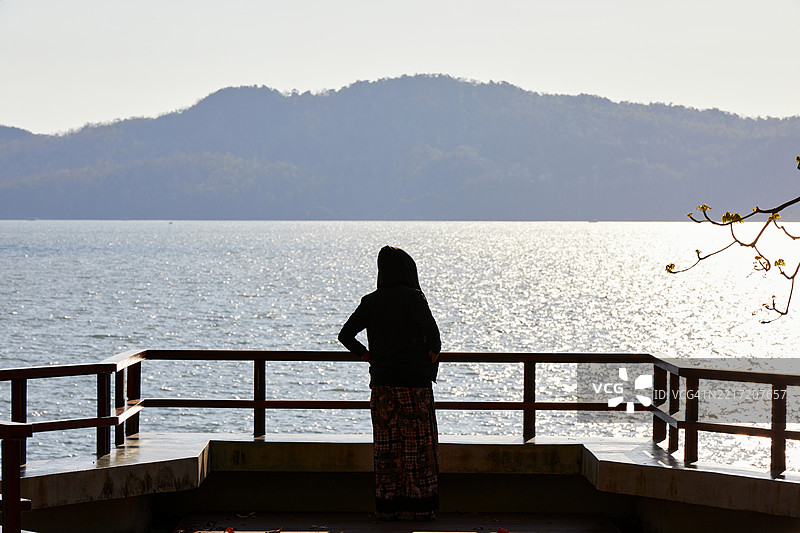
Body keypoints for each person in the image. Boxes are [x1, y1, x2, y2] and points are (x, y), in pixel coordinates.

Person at [338, 245, 441, 521]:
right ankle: (420, 508)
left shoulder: (370, 301)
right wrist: (428, 356)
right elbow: (434, 337)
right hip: (414, 386)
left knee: (386, 447)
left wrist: (369, 355)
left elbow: (345, 335)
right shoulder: (414, 298)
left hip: (382, 384)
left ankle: (387, 508)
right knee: (417, 446)